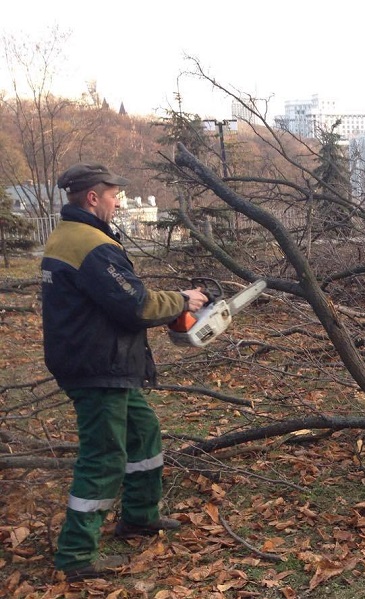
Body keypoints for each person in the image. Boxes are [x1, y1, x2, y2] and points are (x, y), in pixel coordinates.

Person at [41, 163, 208, 582]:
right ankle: (76, 556)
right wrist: (183, 300)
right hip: (97, 364)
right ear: (93, 198)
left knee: (143, 434)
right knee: (103, 456)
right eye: (114, 195)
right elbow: (135, 304)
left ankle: (138, 516)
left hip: (101, 361)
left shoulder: (71, 237)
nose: (119, 202)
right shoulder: (89, 244)